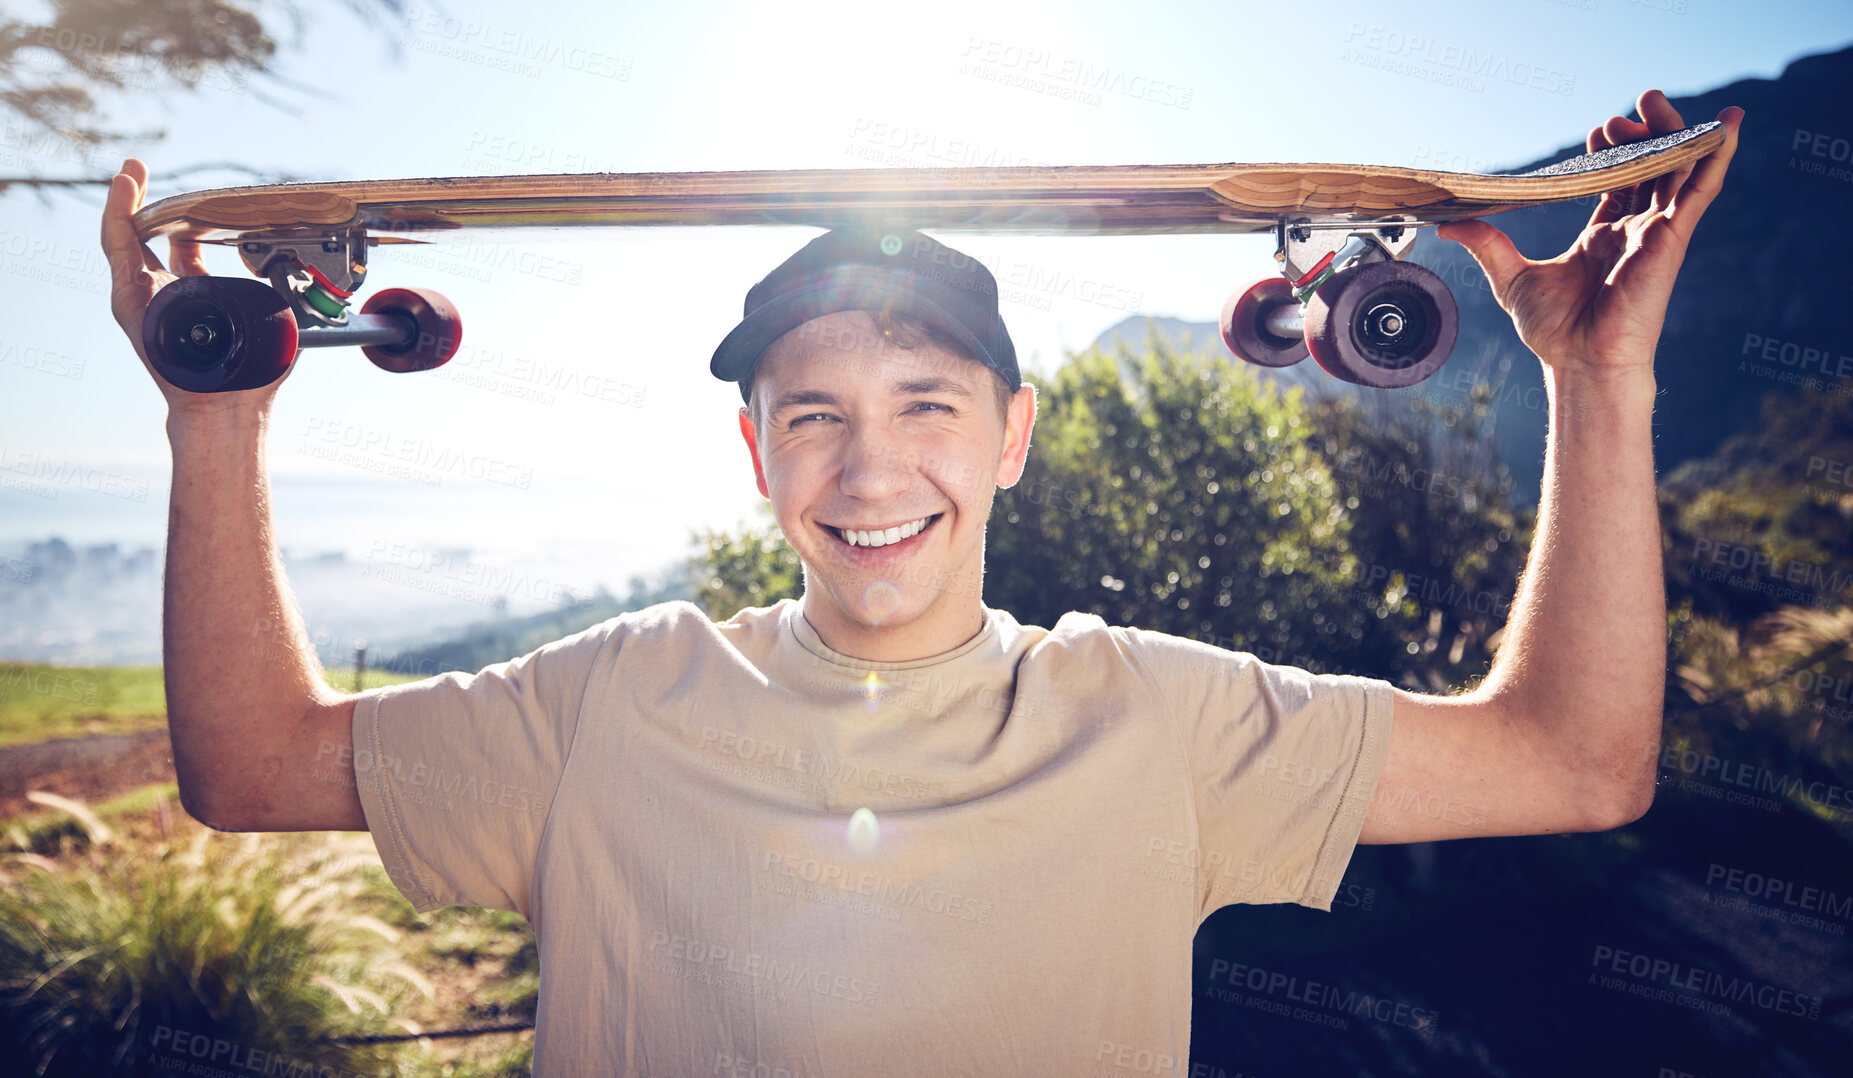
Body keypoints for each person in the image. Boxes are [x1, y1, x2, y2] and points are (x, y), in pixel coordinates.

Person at [102, 91, 1741, 1076]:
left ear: (1013, 434)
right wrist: (216, 424)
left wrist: (1600, 385)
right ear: (757, 458)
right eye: (812, 418)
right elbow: (248, 766)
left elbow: (1573, 763)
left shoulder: (1154, 714)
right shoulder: (604, 699)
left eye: (927, 410)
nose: (870, 474)